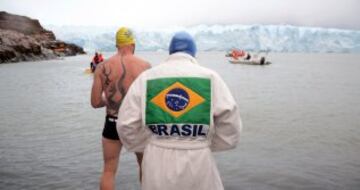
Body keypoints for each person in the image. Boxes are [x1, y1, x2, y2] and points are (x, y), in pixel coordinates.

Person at [116, 31, 242, 190]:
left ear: (170, 52)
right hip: (199, 162)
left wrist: (150, 143)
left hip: (156, 162)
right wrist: (205, 143)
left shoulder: (147, 78)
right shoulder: (210, 77)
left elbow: (126, 124)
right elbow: (231, 124)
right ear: (193, 53)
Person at [91, 27, 150, 190]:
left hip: (112, 122)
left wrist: (109, 99)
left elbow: (95, 102)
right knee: (144, 167)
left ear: (117, 45)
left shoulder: (102, 67)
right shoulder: (145, 66)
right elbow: (151, 102)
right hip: (137, 123)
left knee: (109, 170)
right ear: (132, 44)